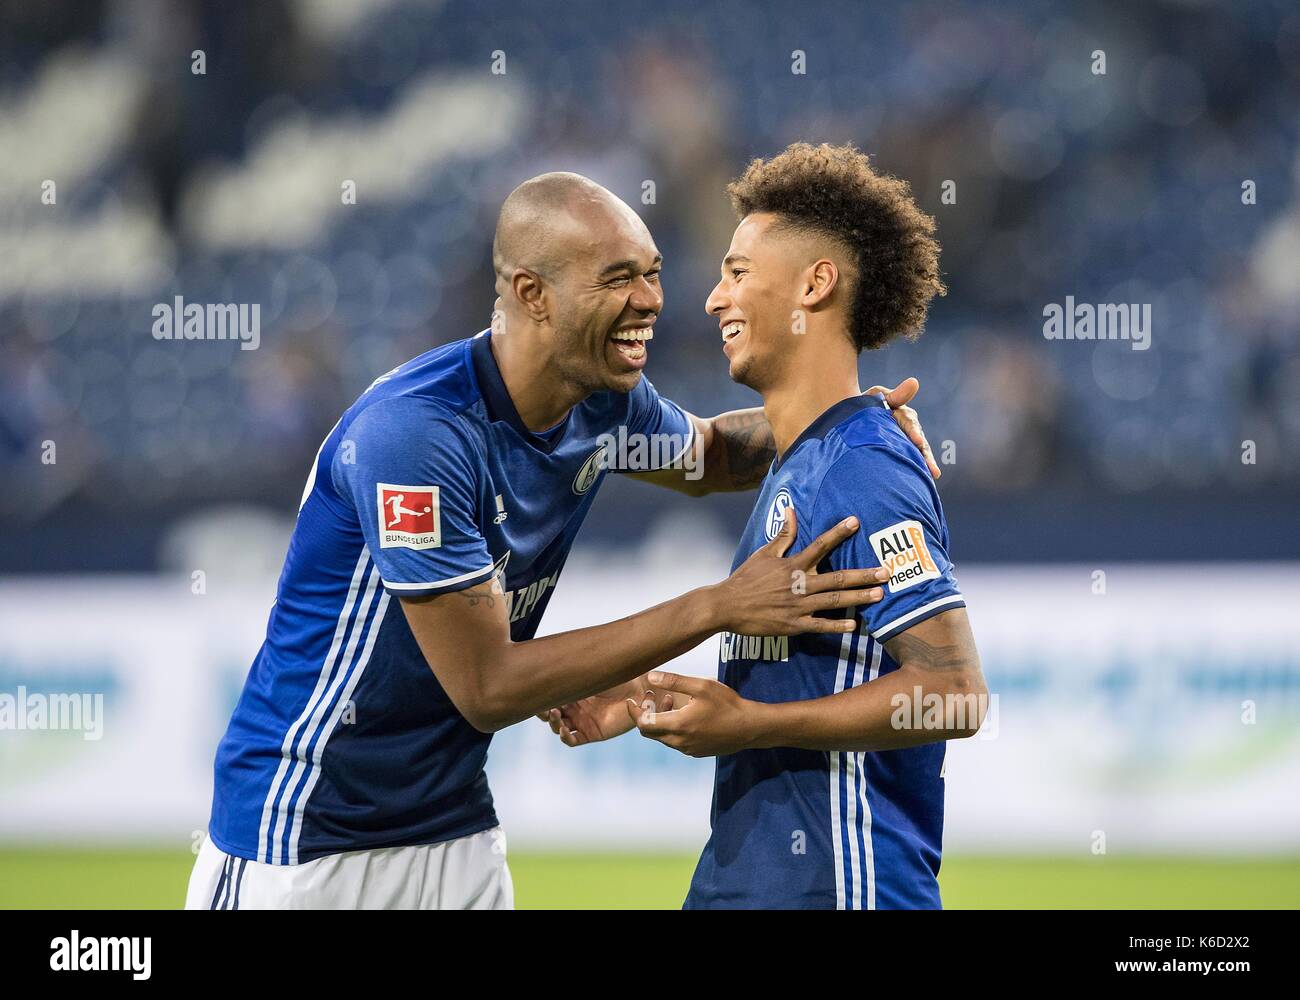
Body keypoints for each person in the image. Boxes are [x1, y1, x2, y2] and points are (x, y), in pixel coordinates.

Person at [186, 170, 938, 910]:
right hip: (303, 842)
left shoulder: (602, 404)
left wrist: (844, 418)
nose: (651, 301)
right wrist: (719, 606)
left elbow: (712, 455)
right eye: (618, 279)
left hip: (454, 832)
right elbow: (487, 687)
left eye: (652, 274)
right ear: (532, 294)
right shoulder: (417, 435)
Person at [547, 145, 986, 909]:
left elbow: (953, 695)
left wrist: (752, 722)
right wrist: (647, 692)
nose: (714, 299)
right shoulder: (801, 462)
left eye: (738, 272)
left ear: (815, 285)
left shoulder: (864, 471)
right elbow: (823, 660)